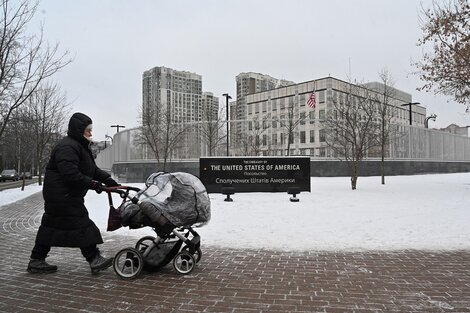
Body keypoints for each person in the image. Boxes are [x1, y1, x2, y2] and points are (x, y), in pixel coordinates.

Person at [27, 112, 119, 274]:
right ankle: (94, 258)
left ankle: (36, 260)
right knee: (81, 223)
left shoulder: (79, 146)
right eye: (88, 130)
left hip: (62, 195)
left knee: (51, 225)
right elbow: (69, 173)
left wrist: (108, 180)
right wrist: (94, 184)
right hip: (63, 196)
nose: (91, 133)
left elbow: (92, 169)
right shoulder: (68, 146)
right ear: (79, 130)